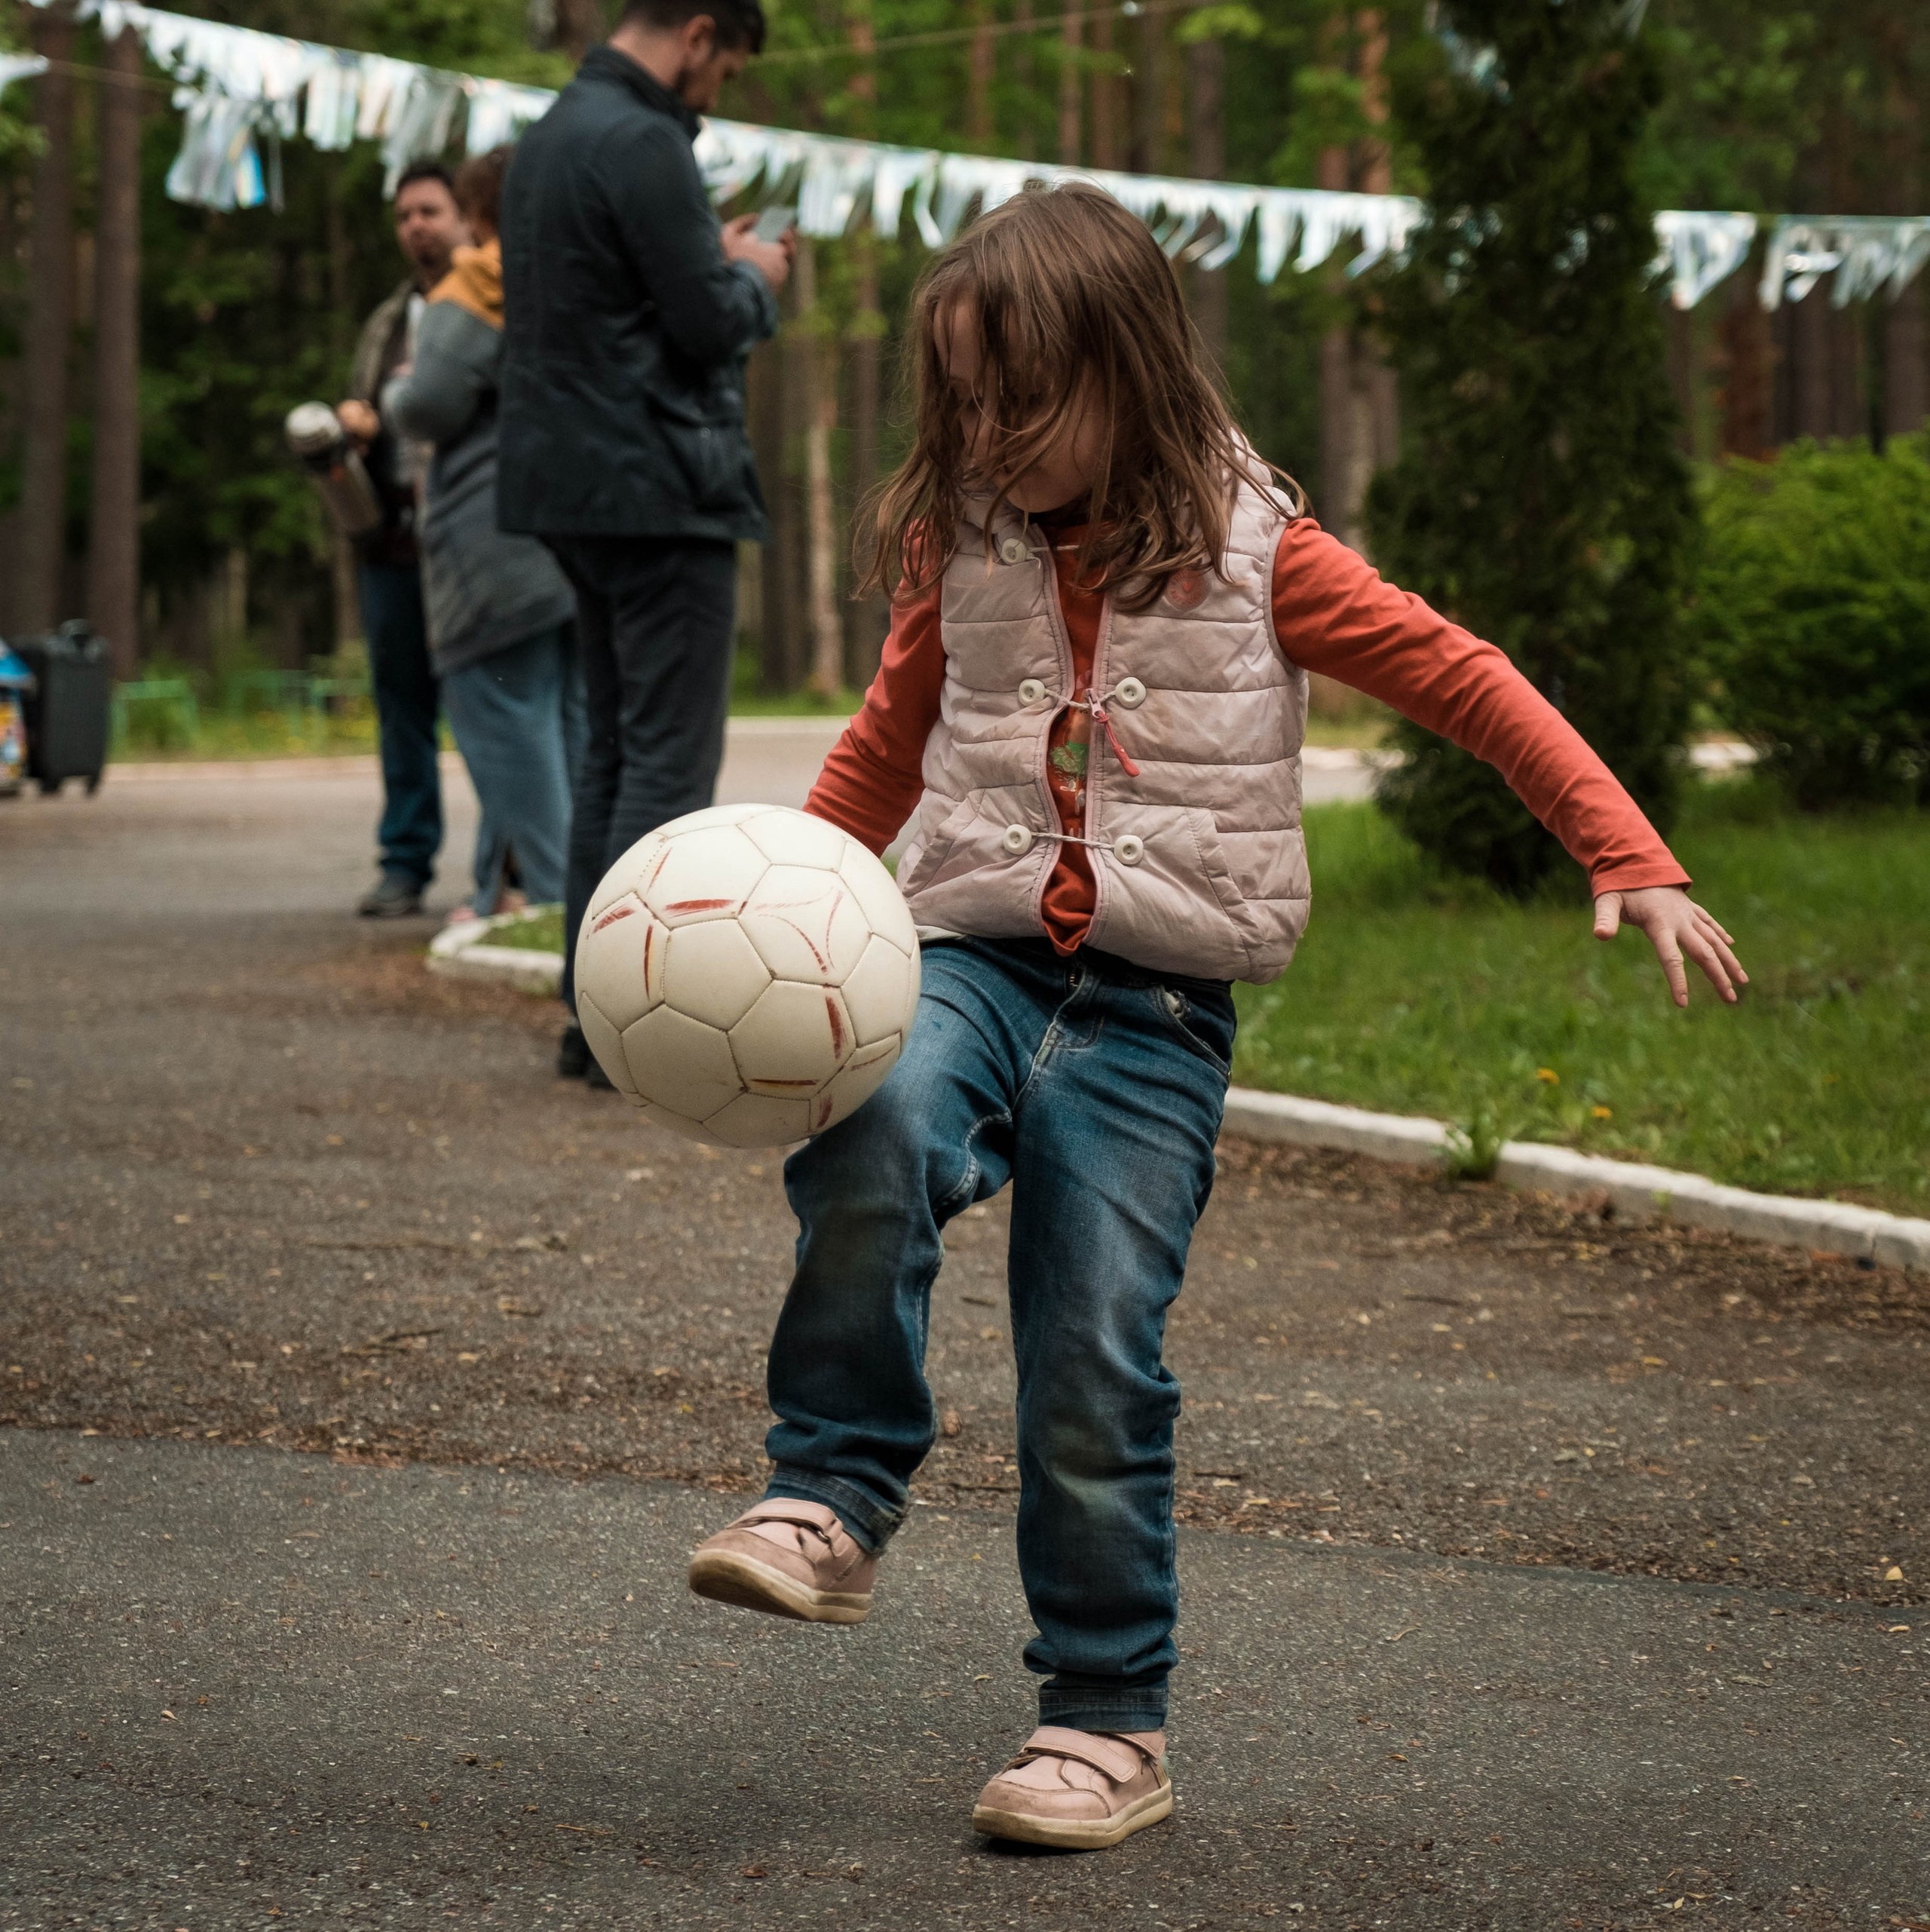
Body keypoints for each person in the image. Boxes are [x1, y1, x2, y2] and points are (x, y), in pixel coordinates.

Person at [682, 185, 1750, 1853]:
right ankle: (831, 1486)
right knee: (873, 1123)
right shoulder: (955, 537)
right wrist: (771, 918)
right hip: (964, 956)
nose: (986, 432)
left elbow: (1463, 677)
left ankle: (1101, 1724)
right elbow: (887, 742)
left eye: (1018, 396)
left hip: (1154, 1011)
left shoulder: (1266, 555)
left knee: (1091, 1352)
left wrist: (1626, 848)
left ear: (1128, 368)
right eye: (959, 398)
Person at [497, 0, 793, 1080]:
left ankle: (595, 1013)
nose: (718, 93)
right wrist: (756, 276)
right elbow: (705, 324)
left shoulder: (554, 132)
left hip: (565, 489)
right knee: (666, 760)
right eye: (726, 69)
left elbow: (602, 299)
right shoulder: (646, 138)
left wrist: (704, 259)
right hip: (661, 487)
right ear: (700, 33)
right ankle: (635, 1023)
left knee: (612, 751)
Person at [381, 147, 584, 923]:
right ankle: (561, 907)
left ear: (477, 213)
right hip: (565, 541)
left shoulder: (478, 281)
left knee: (505, 726)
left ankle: (562, 914)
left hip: (487, 543)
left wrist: (399, 392)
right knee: (565, 729)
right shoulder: (574, 283)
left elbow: (431, 402)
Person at [336, 161, 466, 919]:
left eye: (430, 210)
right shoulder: (387, 321)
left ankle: (515, 869)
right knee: (402, 703)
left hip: (473, 547)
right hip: (392, 545)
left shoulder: (491, 304)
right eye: (405, 215)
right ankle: (405, 863)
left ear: (460, 218)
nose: (417, 225)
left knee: (496, 708)